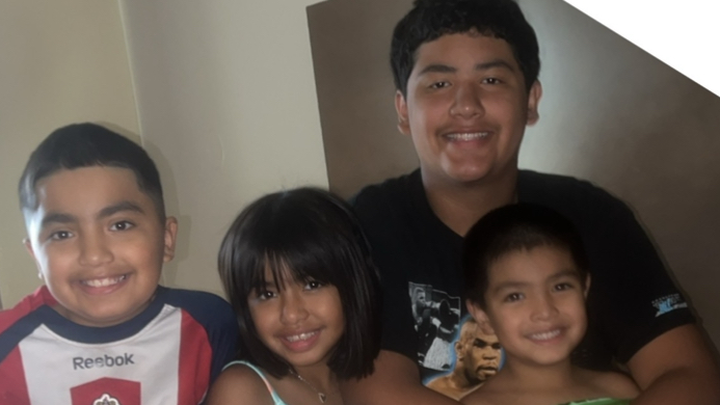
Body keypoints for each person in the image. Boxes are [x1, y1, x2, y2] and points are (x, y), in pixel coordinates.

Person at [343, 0, 720, 404]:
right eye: (439, 84)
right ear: (403, 109)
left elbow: (690, 376)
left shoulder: (592, 216)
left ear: (530, 100)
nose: (466, 105)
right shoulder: (367, 227)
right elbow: (376, 392)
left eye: (491, 80)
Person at [0, 123, 239, 405]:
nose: (94, 255)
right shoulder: (7, 344)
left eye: (120, 225)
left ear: (167, 239)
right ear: (36, 256)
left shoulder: (212, 324)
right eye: (62, 234)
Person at [207, 188, 381, 405]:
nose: (291, 314)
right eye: (267, 294)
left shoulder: (376, 377)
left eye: (312, 285)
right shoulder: (242, 390)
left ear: (353, 283)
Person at [461, 204, 639, 405]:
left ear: (584, 289)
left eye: (560, 287)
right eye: (515, 296)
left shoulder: (619, 389)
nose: (545, 311)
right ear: (483, 315)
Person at [426, 318, 501, 400]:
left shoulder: (504, 394)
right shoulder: (436, 392)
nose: (491, 355)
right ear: (459, 349)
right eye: (479, 345)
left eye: (497, 347)